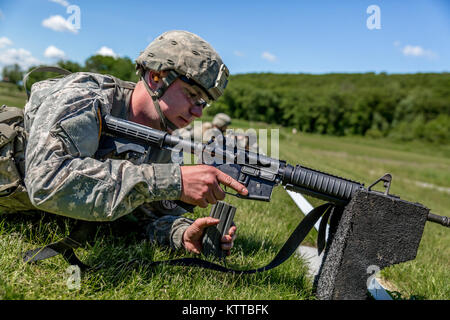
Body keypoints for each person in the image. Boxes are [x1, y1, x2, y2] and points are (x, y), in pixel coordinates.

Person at [23, 30, 248, 256]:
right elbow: (46, 181)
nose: (198, 112)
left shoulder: (164, 139)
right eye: (191, 94)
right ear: (156, 77)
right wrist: (173, 180)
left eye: (203, 103)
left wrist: (182, 233)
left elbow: (142, 218)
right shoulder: (84, 97)